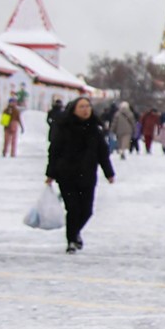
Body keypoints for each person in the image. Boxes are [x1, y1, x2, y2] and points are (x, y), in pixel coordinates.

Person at [45, 95, 115, 254]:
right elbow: (54, 152)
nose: (85, 110)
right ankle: (71, 240)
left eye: (88, 107)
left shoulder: (95, 129)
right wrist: (50, 174)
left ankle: (75, 232)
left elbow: (103, 154)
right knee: (73, 209)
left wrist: (109, 173)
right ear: (74, 110)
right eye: (81, 107)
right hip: (66, 175)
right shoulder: (64, 127)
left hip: (88, 175)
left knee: (87, 211)